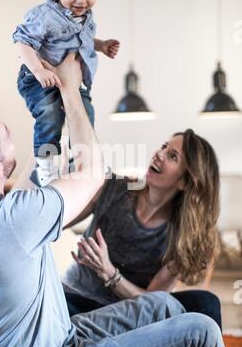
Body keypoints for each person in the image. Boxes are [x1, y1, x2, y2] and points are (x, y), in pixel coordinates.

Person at [0, 55, 232, 347]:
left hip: (62, 334)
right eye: (5, 131)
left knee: (166, 304)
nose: (158, 154)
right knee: (203, 332)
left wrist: (50, 122)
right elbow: (91, 175)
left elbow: (37, 177)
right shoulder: (17, 217)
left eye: (172, 154)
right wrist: (70, 89)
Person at [63, 130, 223, 329]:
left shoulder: (182, 235)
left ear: (184, 181)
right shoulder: (112, 187)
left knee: (206, 303)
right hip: (72, 298)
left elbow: (153, 301)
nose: (159, 154)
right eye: (164, 146)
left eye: (173, 156)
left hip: (123, 318)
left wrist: (110, 273)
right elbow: (59, 221)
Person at [12, 0, 119, 184]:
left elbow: (83, 42)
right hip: (40, 81)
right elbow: (22, 42)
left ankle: (80, 162)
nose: (81, 1)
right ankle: (46, 166)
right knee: (50, 117)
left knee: (86, 116)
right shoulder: (45, 16)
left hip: (74, 84)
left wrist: (101, 45)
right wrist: (39, 70)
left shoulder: (87, 18)